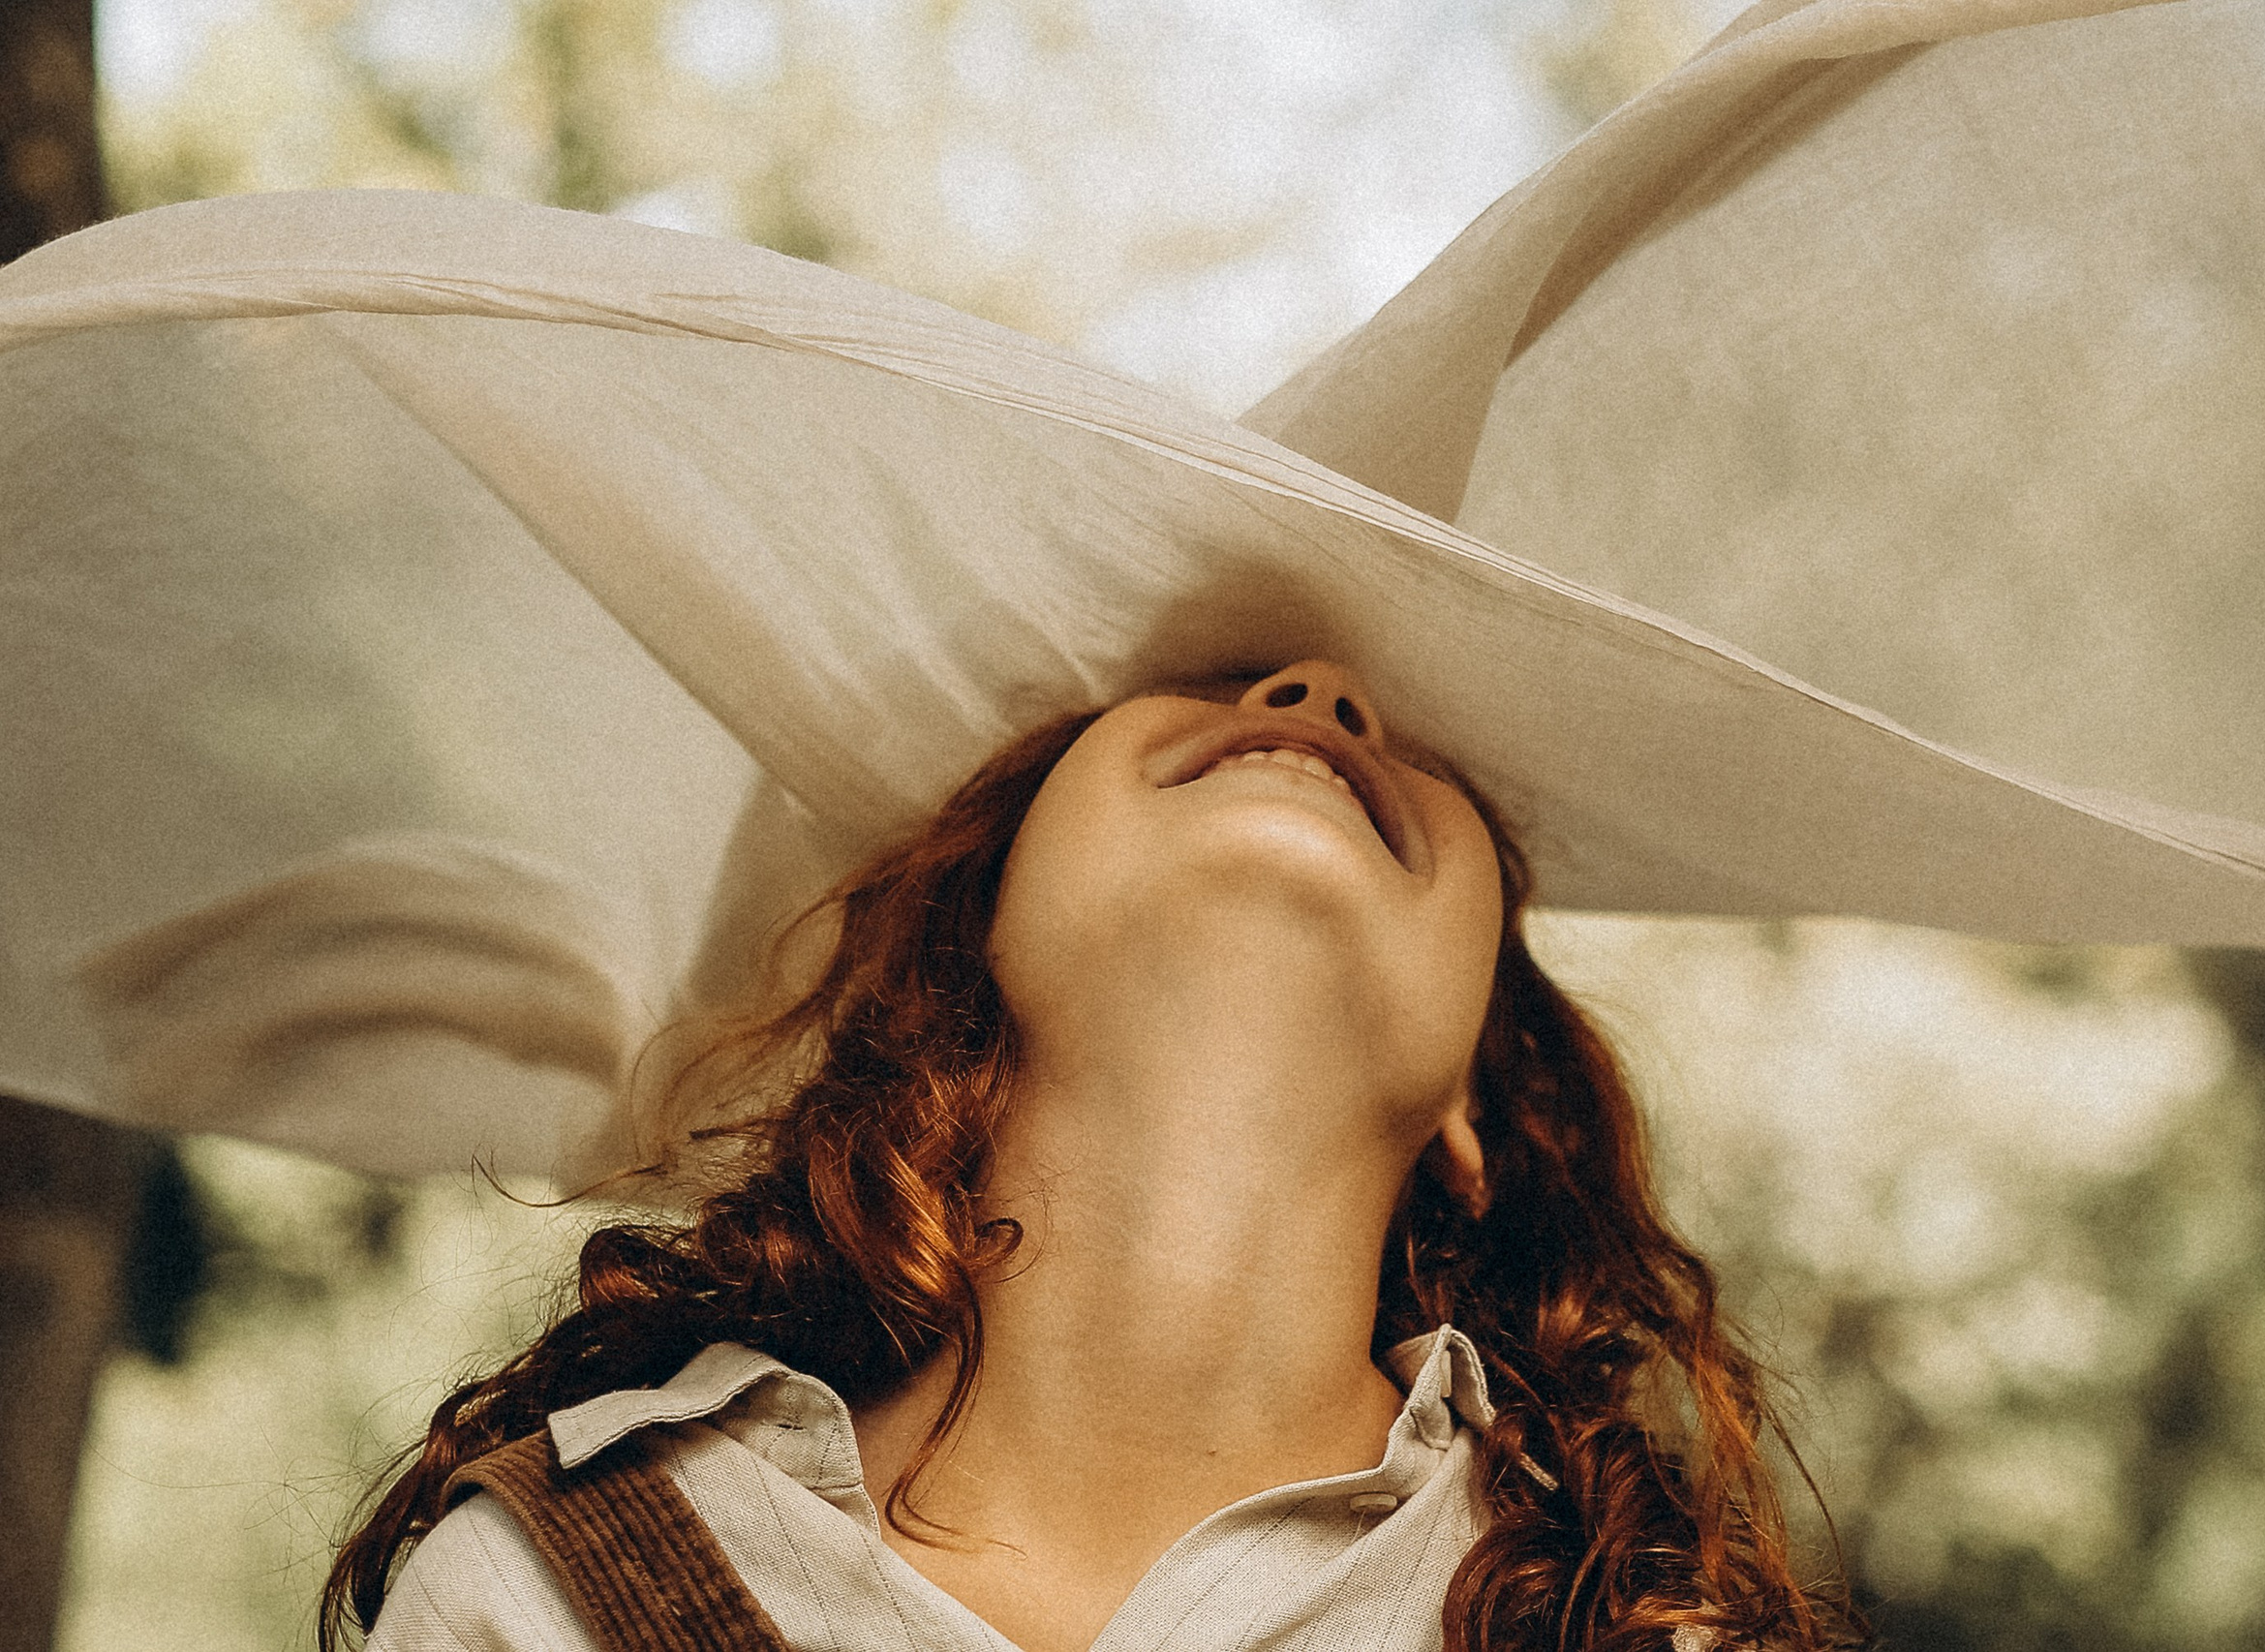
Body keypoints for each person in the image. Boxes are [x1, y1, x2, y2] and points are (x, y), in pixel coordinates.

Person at [323, 660, 1859, 1652]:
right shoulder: (539, 1593)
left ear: (1475, 1104)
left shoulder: (1631, 1633)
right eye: (1201, 680)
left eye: (1388, 719)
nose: (1324, 697)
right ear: (971, 941)